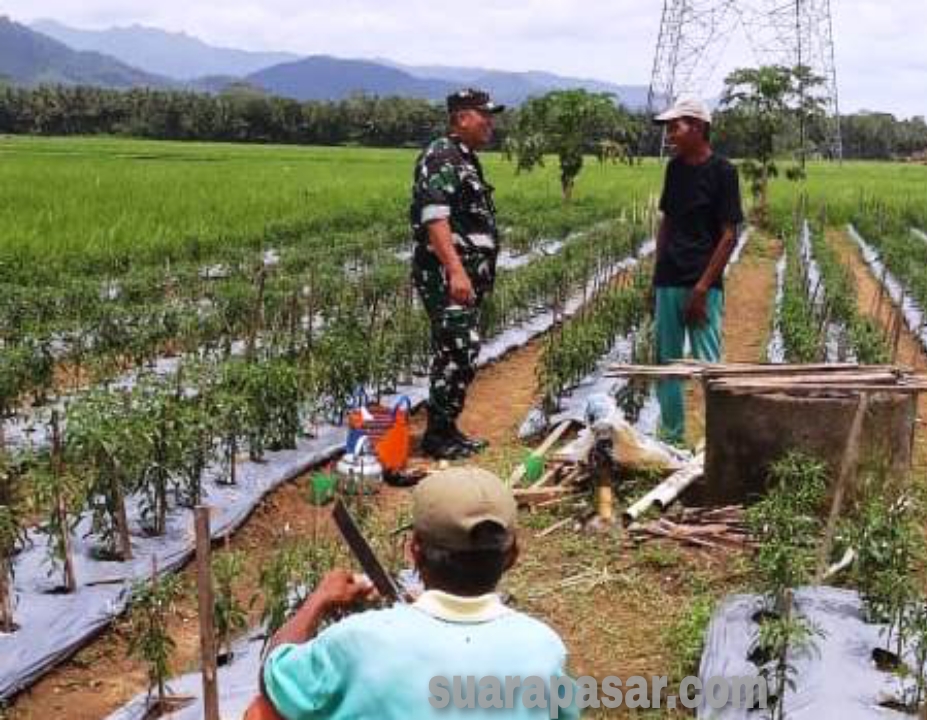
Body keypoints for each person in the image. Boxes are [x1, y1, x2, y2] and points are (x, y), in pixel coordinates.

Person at [257, 467, 578, 719]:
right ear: (513, 557)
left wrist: (321, 597)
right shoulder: (544, 648)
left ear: (414, 551)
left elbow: (274, 678)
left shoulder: (359, 641)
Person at [411, 89, 505, 460]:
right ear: (461, 117)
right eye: (484, 115)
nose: (490, 123)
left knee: (458, 350)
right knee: (458, 350)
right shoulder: (440, 157)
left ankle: (446, 429)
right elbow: (435, 218)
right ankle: (438, 435)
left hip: (465, 277)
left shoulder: (464, 158)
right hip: (446, 276)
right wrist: (456, 271)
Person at [650, 97, 744, 446]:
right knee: (668, 364)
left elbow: (729, 235)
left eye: (676, 126)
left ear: (699, 128)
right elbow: (667, 224)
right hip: (670, 279)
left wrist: (702, 289)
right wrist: (656, 277)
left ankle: (714, 442)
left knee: (708, 364)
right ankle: (671, 439)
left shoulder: (723, 172)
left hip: (704, 282)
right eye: (669, 127)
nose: (670, 133)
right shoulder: (674, 169)